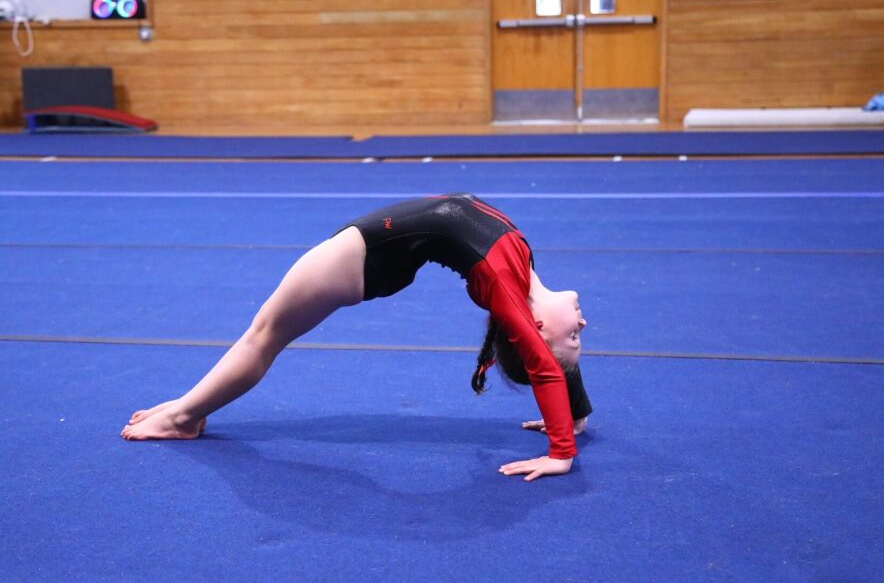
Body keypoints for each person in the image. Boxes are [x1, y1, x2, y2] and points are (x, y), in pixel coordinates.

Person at [122, 194, 592, 481]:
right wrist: (575, 418)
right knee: (262, 335)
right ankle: (184, 406)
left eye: (575, 338)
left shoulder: (507, 285)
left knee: (262, 338)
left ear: (539, 329)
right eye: (578, 339)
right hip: (376, 253)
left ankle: (183, 417)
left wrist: (560, 454)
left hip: (360, 261)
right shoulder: (521, 267)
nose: (584, 328)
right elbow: (548, 361)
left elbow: (544, 364)